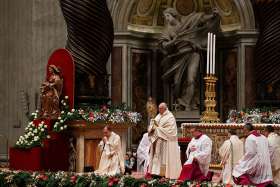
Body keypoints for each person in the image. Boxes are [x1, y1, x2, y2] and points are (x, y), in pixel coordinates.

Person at [160, 8, 220, 111]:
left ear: (174, 15)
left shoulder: (186, 21)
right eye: (165, 17)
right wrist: (173, 41)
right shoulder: (167, 30)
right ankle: (182, 103)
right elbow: (164, 45)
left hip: (193, 53)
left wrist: (212, 16)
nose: (167, 19)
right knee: (177, 82)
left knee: (191, 79)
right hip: (178, 56)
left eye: (168, 16)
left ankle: (188, 104)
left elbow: (199, 19)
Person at [148, 103, 182, 179]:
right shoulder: (158, 116)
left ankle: (165, 174)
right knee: (157, 157)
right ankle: (155, 173)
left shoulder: (170, 117)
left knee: (164, 159)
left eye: (161, 108)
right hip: (157, 141)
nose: (159, 110)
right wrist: (152, 128)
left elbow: (171, 131)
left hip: (166, 142)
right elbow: (152, 126)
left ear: (165, 108)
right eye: (159, 108)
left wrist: (157, 129)